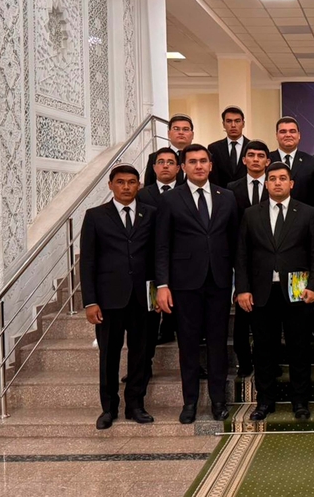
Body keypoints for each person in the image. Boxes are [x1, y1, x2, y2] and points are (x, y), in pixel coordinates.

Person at [154, 144, 239, 424]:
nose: (199, 166)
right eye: (192, 162)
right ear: (183, 167)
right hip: (184, 283)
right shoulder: (170, 199)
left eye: (203, 161)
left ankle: (218, 401)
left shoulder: (227, 197)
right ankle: (189, 402)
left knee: (217, 343)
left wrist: (240, 283)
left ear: (211, 166)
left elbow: (235, 243)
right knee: (188, 344)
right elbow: (162, 245)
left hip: (219, 281)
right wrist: (162, 285)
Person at [236, 162, 314, 421]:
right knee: (264, 350)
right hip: (262, 292)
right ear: (266, 184)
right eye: (272, 178)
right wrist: (243, 289)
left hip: (298, 292)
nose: (277, 182)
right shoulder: (251, 214)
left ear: (291, 183)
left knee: (299, 348)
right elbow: (242, 255)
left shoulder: (307, 212)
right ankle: (265, 402)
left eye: (282, 178)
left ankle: (300, 402)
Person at [80, 164, 159, 429]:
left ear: (139, 185)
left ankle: (135, 405)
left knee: (141, 354)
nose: (126, 187)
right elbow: (87, 262)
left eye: (132, 182)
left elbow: (158, 255)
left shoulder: (151, 214)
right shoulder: (95, 216)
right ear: (111, 185)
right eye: (121, 182)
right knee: (109, 356)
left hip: (143, 298)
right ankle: (108, 409)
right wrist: (90, 301)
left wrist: (158, 293)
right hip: (108, 299)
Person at [226, 140, 272, 378]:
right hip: (241, 259)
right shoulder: (230, 189)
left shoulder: (275, 185)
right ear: (244, 160)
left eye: (260, 155)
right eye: (251, 155)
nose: (255, 159)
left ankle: (270, 363)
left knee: (269, 318)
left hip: (270, 260)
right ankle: (244, 362)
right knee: (242, 318)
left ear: (268, 161)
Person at [136, 147, 180, 345]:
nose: (165, 166)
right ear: (153, 167)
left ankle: (171, 330)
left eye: (170, 162)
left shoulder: (186, 192)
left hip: (180, 257)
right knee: (151, 309)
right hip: (150, 259)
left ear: (178, 168)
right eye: (161, 162)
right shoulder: (142, 195)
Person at [268, 117, 314, 209]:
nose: (288, 135)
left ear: (299, 135)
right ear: (276, 135)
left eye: (292, 131)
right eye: (283, 132)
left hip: (304, 215)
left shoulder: (313, 162)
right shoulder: (267, 160)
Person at [144, 114, 194, 186]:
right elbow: (148, 188)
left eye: (185, 129)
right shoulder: (154, 157)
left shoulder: (203, 159)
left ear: (192, 134)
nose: (181, 132)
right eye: (176, 129)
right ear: (169, 133)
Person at [207, 106, 249, 188]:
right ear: (223, 124)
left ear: (243, 123)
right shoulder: (214, 148)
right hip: (221, 193)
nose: (233, 125)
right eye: (229, 121)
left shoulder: (252, 147)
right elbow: (213, 177)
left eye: (237, 121)